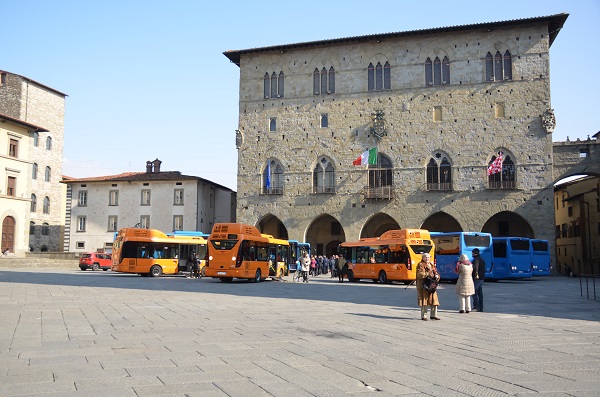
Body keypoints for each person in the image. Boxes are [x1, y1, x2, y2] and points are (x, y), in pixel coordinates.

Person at [416, 253, 441, 320]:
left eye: (428, 257)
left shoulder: (431, 264)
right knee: (425, 300)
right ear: (423, 258)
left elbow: (435, 272)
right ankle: (424, 316)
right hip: (424, 285)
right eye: (425, 257)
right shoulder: (420, 264)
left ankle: (433, 315)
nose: (427, 259)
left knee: (434, 300)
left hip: (432, 285)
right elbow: (420, 274)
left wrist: (437, 276)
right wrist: (429, 274)